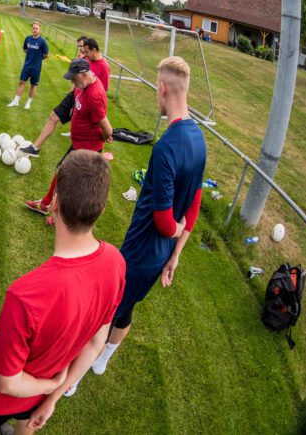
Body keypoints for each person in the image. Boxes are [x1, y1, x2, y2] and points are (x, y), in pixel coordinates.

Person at [0, 151, 126, 434]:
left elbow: (8, 383)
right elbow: (95, 343)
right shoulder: (115, 262)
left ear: (55, 204)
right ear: (101, 210)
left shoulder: (25, 296)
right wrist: (53, 397)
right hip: (37, 399)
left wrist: (51, 387)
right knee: (25, 426)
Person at [89, 56, 206, 376]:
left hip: (141, 252)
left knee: (107, 311)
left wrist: (175, 230)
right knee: (127, 306)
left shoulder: (167, 146)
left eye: (157, 88)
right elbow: (195, 202)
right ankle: (103, 360)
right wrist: (176, 254)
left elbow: (164, 221)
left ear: (163, 88)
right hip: (161, 255)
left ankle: (78, 372)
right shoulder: (199, 138)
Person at [25, 59, 113, 222]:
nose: (72, 81)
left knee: (70, 180)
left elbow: (108, 130)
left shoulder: (95, 96)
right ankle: (51, 208)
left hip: (87, 148)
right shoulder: (83, 84)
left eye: (74, 78)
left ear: (84, 74)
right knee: (64, 175)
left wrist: (102, 138)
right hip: (79, 143)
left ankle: (55, 212)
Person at [18, 37, 107, 157]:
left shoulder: (103, 67)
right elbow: (77, 80)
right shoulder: (85, 60)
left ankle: (90, 152)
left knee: (82, 129)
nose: (83, 53)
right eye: (81, 49)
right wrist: (72, 97)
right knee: (53, 116)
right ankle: (35, 148)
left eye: (85, 51)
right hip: (76, 94)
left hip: (87, 100)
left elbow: (102, 93)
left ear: (94, 50)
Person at [7, 22, 49, 109]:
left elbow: (46, 55)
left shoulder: (42, 41)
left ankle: (28, 102)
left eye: (36, 28)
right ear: (31, 29)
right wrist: (31, 55)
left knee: (33, 85)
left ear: (39, 30)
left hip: (36, 68)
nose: (35, 30)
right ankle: (16, 101)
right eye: (33, 28)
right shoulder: (28, 39)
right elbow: (25, 49)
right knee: (21, 83)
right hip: (26, 66)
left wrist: (38, 58)